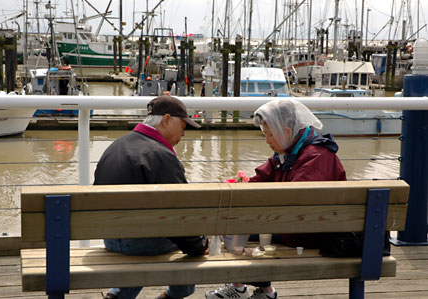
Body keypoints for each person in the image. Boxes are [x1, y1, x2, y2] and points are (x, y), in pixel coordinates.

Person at [205, 98, 346, 299]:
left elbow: (295, 203)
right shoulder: (290, 151)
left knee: (236, 232)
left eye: (270, 134)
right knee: (240, 229)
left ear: (286, 131)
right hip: (298, 226)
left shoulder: (315, 156)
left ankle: (241, 288)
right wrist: (239, 189)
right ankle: (258, 289)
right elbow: (262, 179)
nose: (267, 140)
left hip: (311, 232)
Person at [94, 95, 209, 299]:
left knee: (153, 233)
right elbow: (179, 217)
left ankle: (118, 294)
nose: (184, 133)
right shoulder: (162, 155)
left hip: (110, 237)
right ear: (166, 120)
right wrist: (201, 245)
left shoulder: (116, 146)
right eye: (183, 125)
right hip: (140, 243)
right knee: (189, 244)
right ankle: (175, 295)